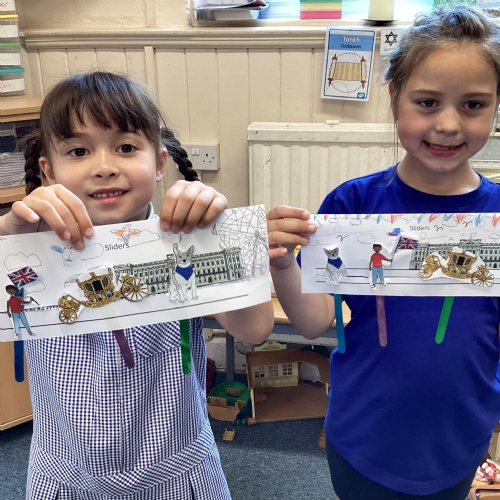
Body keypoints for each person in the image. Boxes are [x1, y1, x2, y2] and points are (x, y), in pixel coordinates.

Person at [0, 71, 273, 499]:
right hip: (66, 474)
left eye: (126, 147)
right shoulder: (28, 249)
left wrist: (218, 233)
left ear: (160, 163)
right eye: (78, 151)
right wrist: (11, 230)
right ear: (48, 171)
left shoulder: (181, 242)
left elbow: (254, 330)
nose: (104, 167)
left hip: (178, 471)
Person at [267, 5, 500, 499]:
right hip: (363, 435)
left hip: (458, 436)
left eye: (473, 105)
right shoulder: (352, 204)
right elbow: (313, 321)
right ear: (395, 99)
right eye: (427, 102)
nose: (449, 124)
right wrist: (283, 262)